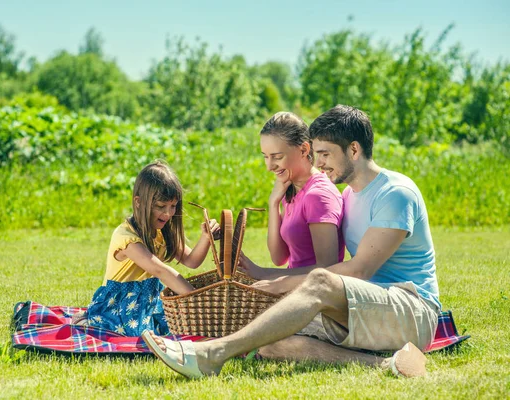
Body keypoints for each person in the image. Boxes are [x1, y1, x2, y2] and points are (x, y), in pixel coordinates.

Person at [141, 105, 440, 378]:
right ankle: (388, 364)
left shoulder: (395, 194)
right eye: (317, 154)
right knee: (269, 341)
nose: (319, 163)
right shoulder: (349, 195)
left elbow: (359, 270)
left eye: (325, 154)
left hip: (411, 309)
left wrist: (282, 283)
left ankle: (211, 354)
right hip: (364, 305)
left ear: (353, 149)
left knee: (320, 280)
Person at [82, 160, 219, 336]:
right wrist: (196, 301)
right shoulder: (126, 238)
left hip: (149, 301)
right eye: (161, 206)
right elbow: (160, 270)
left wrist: (206, 237)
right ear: (138, 202)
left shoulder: (162, 232)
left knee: (182, 327)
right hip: (119, 305)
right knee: (147, 336)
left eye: (173, 206)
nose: (169, 213)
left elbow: (191, 261)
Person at [238, 111, 345, 286]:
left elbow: (327, 269)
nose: (269, 166)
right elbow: (278, 257)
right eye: (266, 157)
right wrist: (273, 204)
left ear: (304, 149)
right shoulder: (292, 188)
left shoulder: (318, 195)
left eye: (277, 157)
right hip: (294, 289)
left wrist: (264, 273)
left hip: (313, 295)